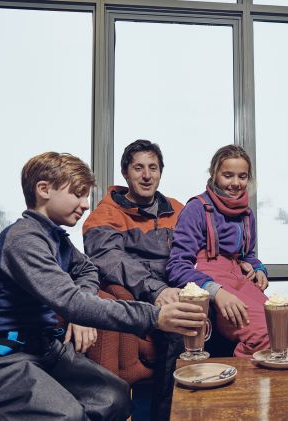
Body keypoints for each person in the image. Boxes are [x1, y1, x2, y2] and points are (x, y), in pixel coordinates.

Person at [0, 152, 206, 421]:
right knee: (68, 415)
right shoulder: (23, 239)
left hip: (40, 348)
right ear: (44, 190)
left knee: (116, 398)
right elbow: (71, 302)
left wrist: (81, 303)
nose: (86, 204)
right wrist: (154, 316)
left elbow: (87, 269)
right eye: (78, 194)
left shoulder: (58, 239)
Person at [167, 144, 288, 358]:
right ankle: (250, 383)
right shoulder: (196, 208)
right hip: (213, 285)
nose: (235, 183)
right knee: (265, 337)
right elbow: (177, 266)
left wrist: (259, 269)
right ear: (214, 174)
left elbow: (247, 255)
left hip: (243, 283)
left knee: (286, 331)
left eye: (242, 176)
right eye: (227, 175)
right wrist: (217, 293)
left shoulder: (247, 214)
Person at [83, 139, 183, 421]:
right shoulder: (105, 214)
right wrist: (157, 290)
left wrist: (250, 264)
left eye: (153, 168)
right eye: (138, 168)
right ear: (125, 173)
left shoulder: (178, 209)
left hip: (179, 287)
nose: (147, 175)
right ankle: (168, 415)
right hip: (141, 297)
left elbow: (206, 245)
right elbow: (110, 260)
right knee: (180, 324)